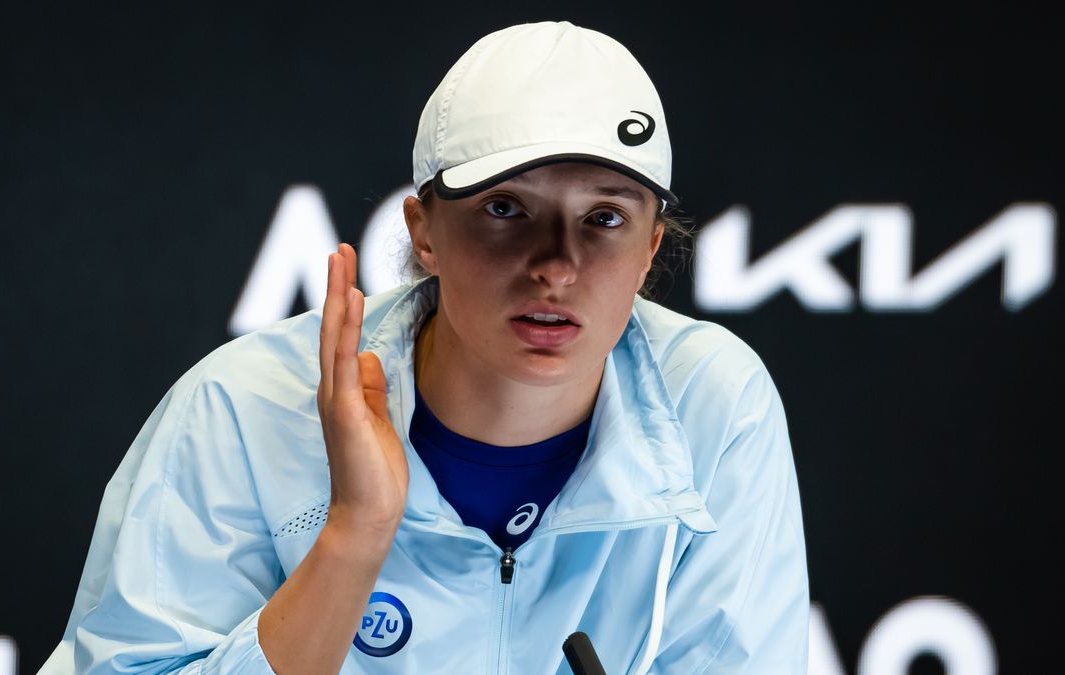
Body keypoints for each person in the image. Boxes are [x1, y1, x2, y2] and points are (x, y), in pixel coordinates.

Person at [42, 21, 808, 675]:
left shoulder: (714, 403)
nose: (557, 265)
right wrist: (354, 532)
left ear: (648, 252)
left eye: (605, 218)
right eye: (508, 208)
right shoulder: (244, 408)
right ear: (423, 232)